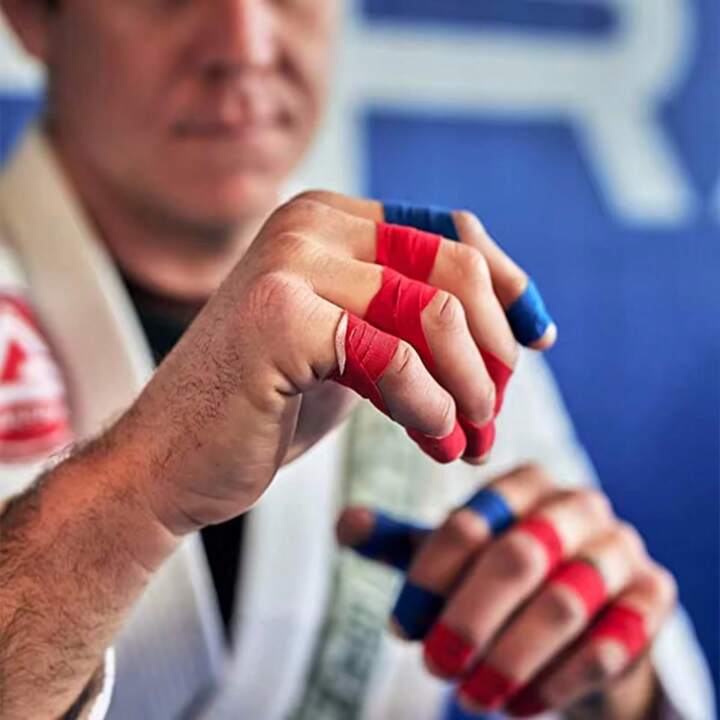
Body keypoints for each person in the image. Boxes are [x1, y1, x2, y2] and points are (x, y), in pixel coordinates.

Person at [0, 1, 713, 719]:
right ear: (30, 15)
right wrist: (133, 492)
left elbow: (630, 664)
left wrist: (602, 670)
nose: (246, 45)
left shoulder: (429, 300)